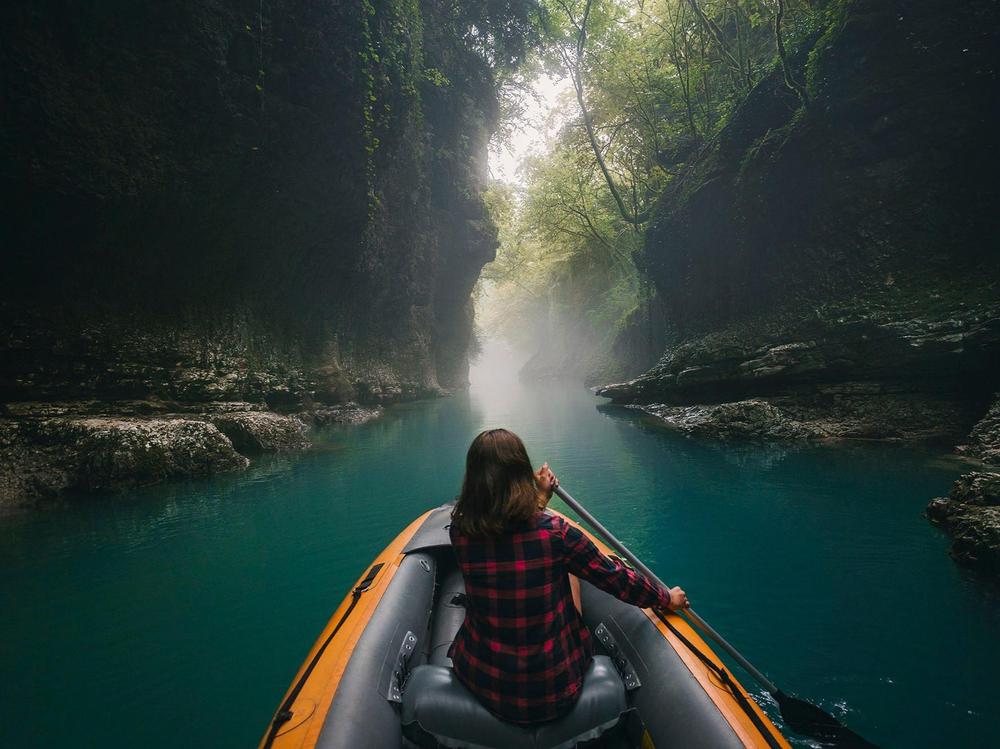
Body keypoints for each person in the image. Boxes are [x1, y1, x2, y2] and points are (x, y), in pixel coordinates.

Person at [448, 428, 689, 726]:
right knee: (569, 571)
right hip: (556, 686)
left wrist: (539, 499)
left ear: (473, 479)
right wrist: (666, 598)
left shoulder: (461, 532)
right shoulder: (557, 534)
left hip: (484, 681)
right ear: (522, 474)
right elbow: (616, 578)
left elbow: (505, 534)